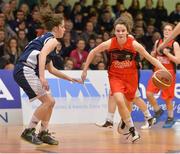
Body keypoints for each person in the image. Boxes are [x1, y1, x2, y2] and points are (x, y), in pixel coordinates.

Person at [81, 17, 168, 143]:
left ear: (127, 32)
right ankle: (133, 130)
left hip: (131, 77)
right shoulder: (109, 43)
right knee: (118, 100)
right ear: (114, 32)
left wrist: (163, 69)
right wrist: (85, 70)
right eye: (118, 31)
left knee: (130, 102)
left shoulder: (133, 44)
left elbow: (150, 58)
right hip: (115, 76)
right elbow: (93, 51)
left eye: (123, 30)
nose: (120, 33)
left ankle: (128, 121)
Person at [13, 12, 82, 145]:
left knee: (51, 102)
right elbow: (42, 55)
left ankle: (43, 132)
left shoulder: (46, 39)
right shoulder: (52, 40)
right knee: (48, 101)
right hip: (25, 70)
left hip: (26, 70)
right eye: (62, 27)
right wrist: (42, 78)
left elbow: (51, 69)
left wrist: (71, 78)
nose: (64, 29)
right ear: (55, 28)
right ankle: (29, 130)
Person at [146, 23, 180, 128]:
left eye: (169, 30)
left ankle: (170, 118)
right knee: (148, 93)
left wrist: (168, 54)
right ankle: (158, 110)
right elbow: (154, 57)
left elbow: (178, 61)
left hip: (168, 73)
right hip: (157, 72)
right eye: (165, 29)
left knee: (167, 98)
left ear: (173, 32)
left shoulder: (175, 44)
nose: (166, 31)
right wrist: (152, 55)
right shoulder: (158, 42)